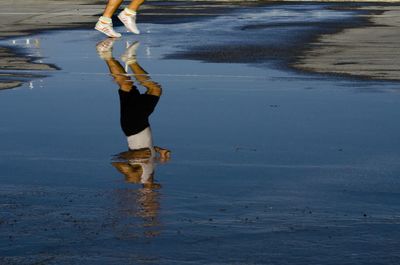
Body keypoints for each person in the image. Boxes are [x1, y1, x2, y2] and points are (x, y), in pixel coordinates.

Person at [96, 38, 170, 188]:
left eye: (151, 203)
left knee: (150, 89)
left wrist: (130, 156)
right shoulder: (150, 173)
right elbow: (144, 149)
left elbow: (116, 161)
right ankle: (114, 56)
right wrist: (157, 150)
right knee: (132, 86)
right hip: (139, 124)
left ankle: (120, 57)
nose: (157, 201)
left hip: (134, 125)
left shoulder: (135, 177)